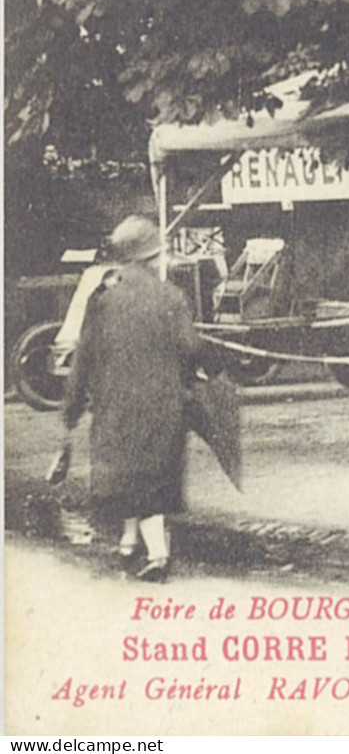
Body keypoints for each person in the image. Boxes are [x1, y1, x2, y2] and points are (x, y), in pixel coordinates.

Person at [63, 215, 202, 583]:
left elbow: (83, 358)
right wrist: (185, 385)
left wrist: (70, 411)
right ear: (151, 258)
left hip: (116, 407)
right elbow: (190, 348)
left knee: (125, 473)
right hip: (163, 406)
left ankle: (135, 546)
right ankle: (152, 550)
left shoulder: (102, 299)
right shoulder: (172, 296)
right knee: (153, 477)